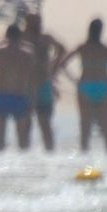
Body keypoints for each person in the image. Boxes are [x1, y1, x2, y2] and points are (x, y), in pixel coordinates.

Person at [55, 18, 107, 153]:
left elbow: (62, 64)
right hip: (104, 86)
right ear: (101, 31)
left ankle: (84, 158)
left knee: (85, 127)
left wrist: (74, 80)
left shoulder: (83, 48)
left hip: (85, 86)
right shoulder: (106, 49)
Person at [0, 24, 38, 152]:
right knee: (22, 139)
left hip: (2, 96)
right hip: (19, 96)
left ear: (6, 36)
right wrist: (33, 100)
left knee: (0, 138)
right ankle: (23, 168)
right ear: (20, 37)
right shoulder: (27, 54)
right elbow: (33, 80)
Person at [23, 11, 65, 152]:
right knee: (26, 123)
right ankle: (24, 155)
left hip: (44, 84)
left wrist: (53, 67)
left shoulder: (45, 38)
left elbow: (62, 49)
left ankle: (50, 154)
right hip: (26, 85)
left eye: (39, 22)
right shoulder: (23, 38)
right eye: (34, 22)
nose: (37, 25)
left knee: (45, 123)